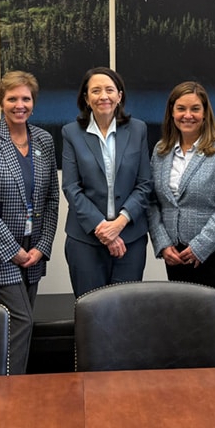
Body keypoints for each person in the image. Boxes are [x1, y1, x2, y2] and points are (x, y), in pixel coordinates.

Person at [0, 71, 59, 374]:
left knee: (20, 321)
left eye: (26, 98)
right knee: (21, 319)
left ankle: (10, 382)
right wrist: (12, 249)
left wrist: (42, 246)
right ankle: (11, 389)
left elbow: (51, 199)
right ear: (1, 102)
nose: (20, 104)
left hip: (33, 249)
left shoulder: (43, 139)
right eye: (12, 98)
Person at [147, 81, 215, 365]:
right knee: (184, 324)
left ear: (205, 113)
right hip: (176, 256)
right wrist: (163, 244)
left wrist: (201, 247)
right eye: (181, 108)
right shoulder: (161, 150)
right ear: (171, 112)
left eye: (195, 108)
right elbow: (152, 202)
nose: (187, 115)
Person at [61, 67, 151, 297]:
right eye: (96, 90)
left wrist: (118, 224)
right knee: (91, 312)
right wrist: (102, 228)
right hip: (85, 240)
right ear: (86, 98)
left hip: (130, 238)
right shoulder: (71, 133)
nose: (104, 96)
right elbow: (71, 187)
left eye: (110, 90)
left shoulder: (138, 129)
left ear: (119, 96)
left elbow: (144, 184)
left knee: (126, 312)